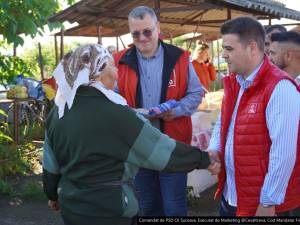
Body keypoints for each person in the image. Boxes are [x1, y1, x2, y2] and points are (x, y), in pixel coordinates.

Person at [42, 44, 220, 225]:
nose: (117, 71)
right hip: (111, 212)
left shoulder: (58, 113)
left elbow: (50, 165)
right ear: (99, 73)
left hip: (71, 209)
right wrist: (203, 159)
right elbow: (163, 152)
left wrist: (51, 194)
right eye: (112, 66)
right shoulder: (119, 115)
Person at [113, 6, 204, 216]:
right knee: (148, 207)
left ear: (158, 28)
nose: (142, 38)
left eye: (147, 31)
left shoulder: (179, 57)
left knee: (174, 208)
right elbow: (112, 99)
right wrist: (131, 112)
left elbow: (196, 93)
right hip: (139, 145)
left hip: (172, 146)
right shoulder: (119, 61)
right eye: (136, 33)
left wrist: (177, 110)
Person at [207, 16, 300, 216]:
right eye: (223, 48)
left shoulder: (280, 87)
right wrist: (215, 148)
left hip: (261, 205)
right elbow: (223, 121)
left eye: (229, 49)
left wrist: (268, 202)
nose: (223, 55)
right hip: (231, 196)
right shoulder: (234, 82)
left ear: (252, 48)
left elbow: (283, 153)